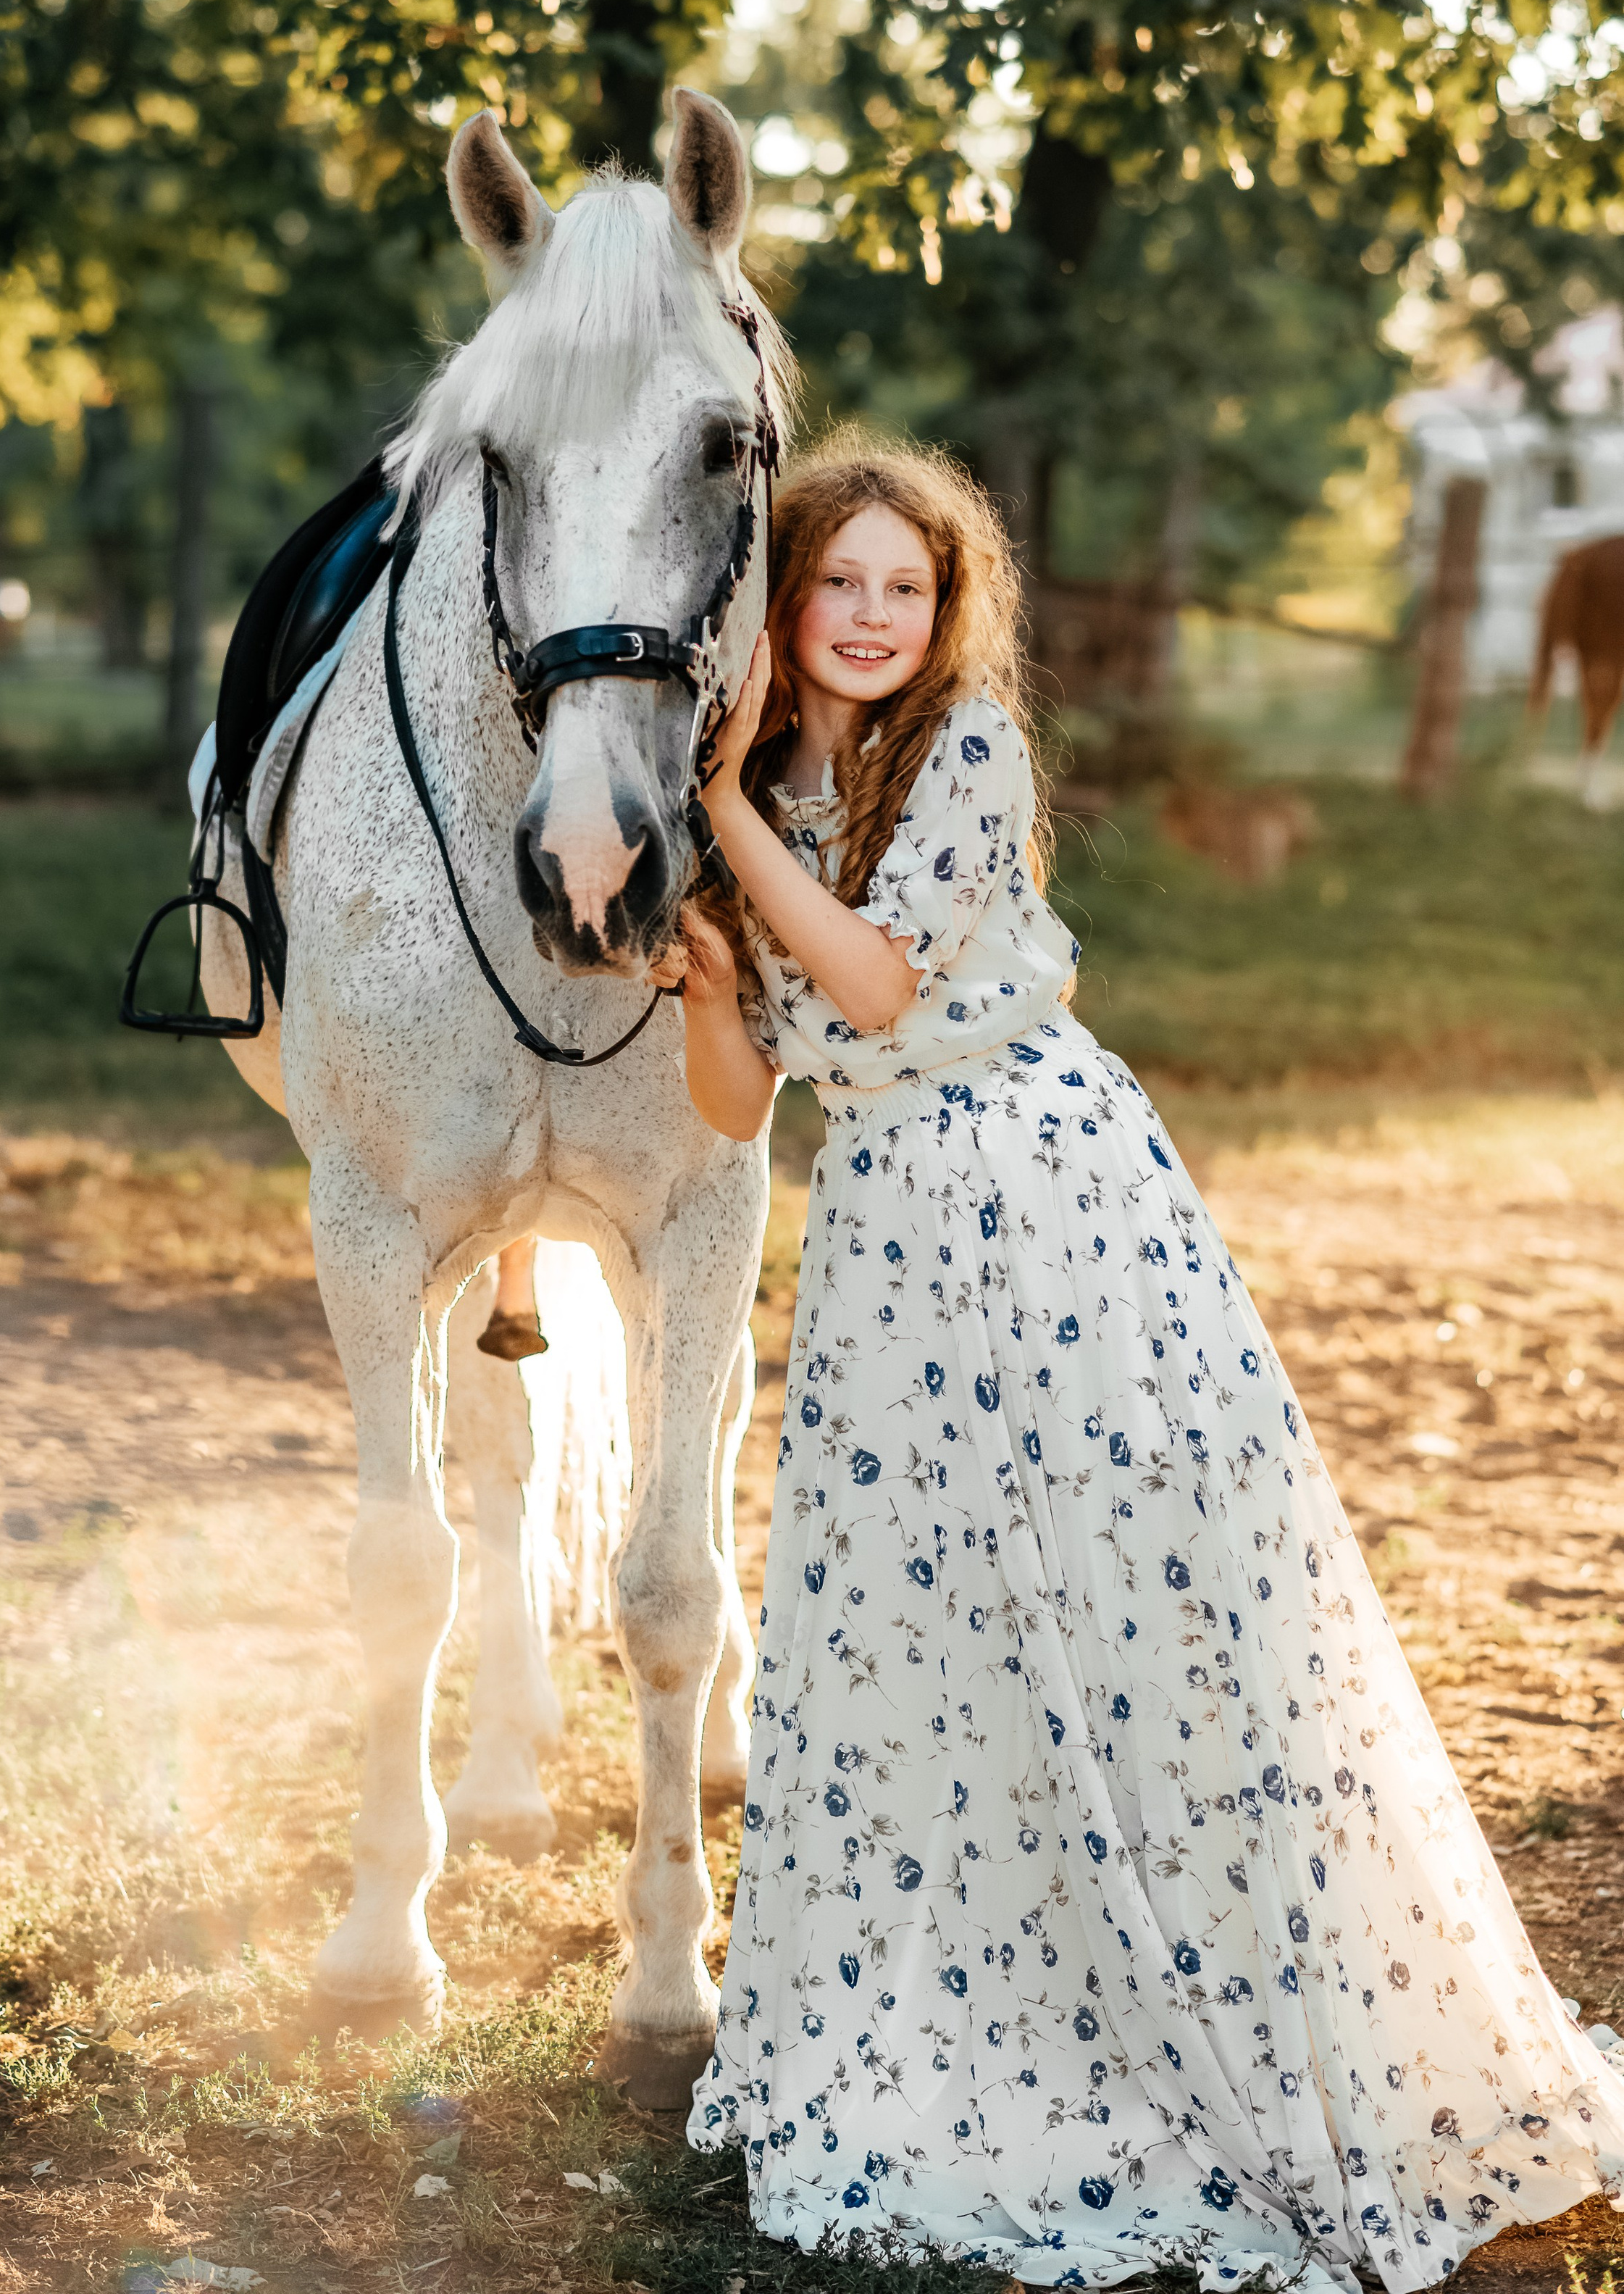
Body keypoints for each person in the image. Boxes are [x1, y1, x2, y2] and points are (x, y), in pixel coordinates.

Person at [669, 438, 1624, 2288]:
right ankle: (959, 1994)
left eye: (905, 588)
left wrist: (714, 822)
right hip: (880, 1230)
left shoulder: (963, 755)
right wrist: (707, 976)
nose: (870, 616)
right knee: (924, 1625)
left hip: (1041, 1198)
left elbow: (872, 989)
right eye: (839, 582)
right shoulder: (769, 780)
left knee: (1136, 1595)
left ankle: (1218, 1998)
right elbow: (738, 1101)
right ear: (781, 601)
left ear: (944, 616)